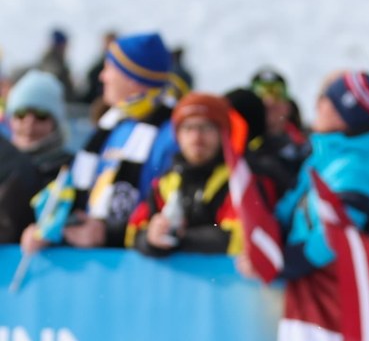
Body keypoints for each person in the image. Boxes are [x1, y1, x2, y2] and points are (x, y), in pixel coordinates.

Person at [26, 32, 180, 253]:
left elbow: (173, 209)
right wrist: (49, 230)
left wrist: (109, 233)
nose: (102, 77)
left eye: (109, 68)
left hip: (139, 268)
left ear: (132, 77)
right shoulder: (111, 124)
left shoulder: (171, 133)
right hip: (97, 267)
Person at [267, 71, 369, 281]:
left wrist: (282, 263)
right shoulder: (326, 158)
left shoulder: (356, 167)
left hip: (337, 294)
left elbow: (336, 235)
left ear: (344, 115)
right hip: (316, 288)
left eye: (325, 99)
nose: (317, 105)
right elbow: (289, 211)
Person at [127, 93, 238, 256]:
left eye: (206, 127)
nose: (196, 137)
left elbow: (239, 238)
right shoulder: (166, 182)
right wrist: (151, 238)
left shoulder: (237, 181)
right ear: (177, 136)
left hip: (224, 280)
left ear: (222, 134)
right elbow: (132, 233)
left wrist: (179, 237)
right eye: (188, 128)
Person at [0, 71, 75, 244]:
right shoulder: (5, 164)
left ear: (55, 123)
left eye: (41, 115)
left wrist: (54, 233)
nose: (29, 124)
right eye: (20, 114)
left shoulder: (68, 167)